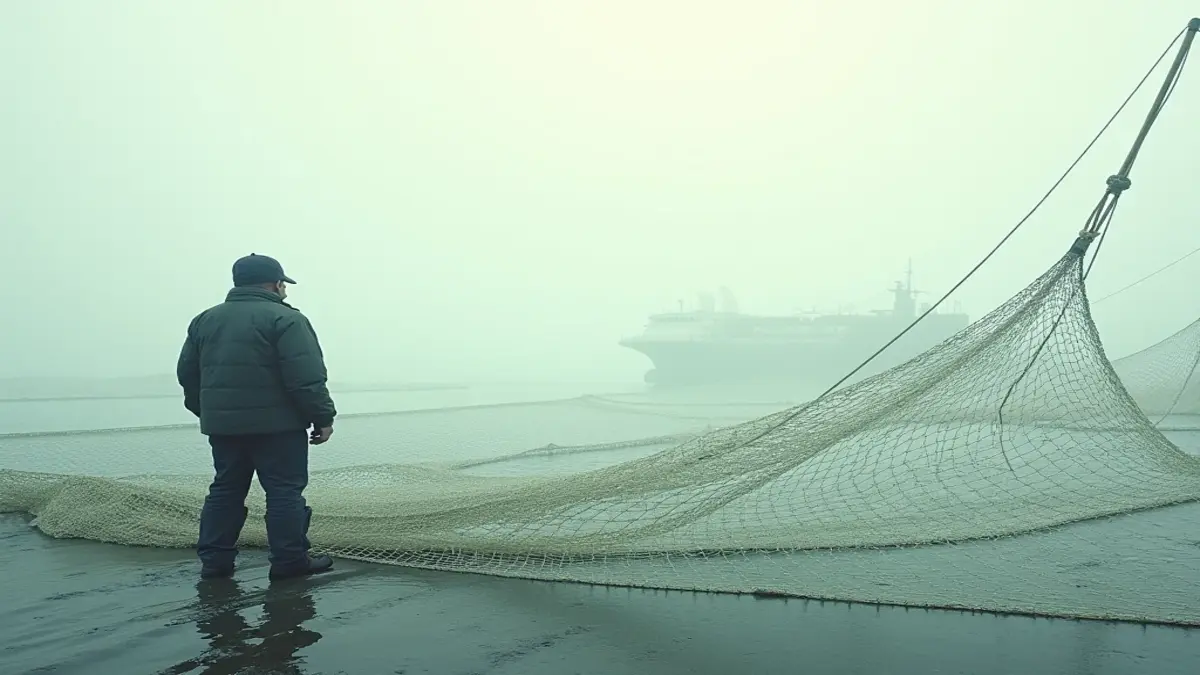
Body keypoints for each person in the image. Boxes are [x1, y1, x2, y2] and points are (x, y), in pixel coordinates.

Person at [177, 253, 337, 580]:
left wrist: (210, 413)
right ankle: (289, 562)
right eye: (283, 284)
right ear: (275, 284)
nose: (285, 291)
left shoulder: (205, 320)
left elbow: (188, 375)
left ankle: (215, 563)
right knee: (284, 493)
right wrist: (323, 418)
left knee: (225, 490)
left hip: (224, 429)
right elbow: (306, 378)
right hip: (279, 429)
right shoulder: (286, 319)